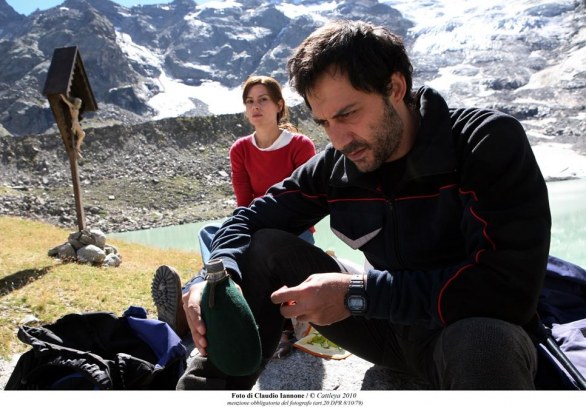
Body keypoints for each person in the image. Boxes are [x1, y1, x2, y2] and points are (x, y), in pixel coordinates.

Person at [175, 20, 551, 390]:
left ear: (395, 88)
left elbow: (509, 291)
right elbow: (250, 219)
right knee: (265, 246)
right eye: (324, 122)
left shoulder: (483, 142)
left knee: (485, 339)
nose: (338, 139)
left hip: (459, 332)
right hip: (385, 331)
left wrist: (358, 293)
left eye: (347, 114)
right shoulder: (338, 162)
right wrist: (214, 279)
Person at [151, 75, 316, 358]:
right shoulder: (240, 149)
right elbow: (243, 204)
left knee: (255, 249)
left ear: (279, 105)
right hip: (255, 222)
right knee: (209, 232)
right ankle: (216, 293)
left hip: (293, 229)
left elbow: (307, 203)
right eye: (250, 101)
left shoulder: (300, 145)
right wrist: (250, 228)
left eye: (263, 99)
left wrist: (262, 227)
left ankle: (197, 299)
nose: (256, 106)